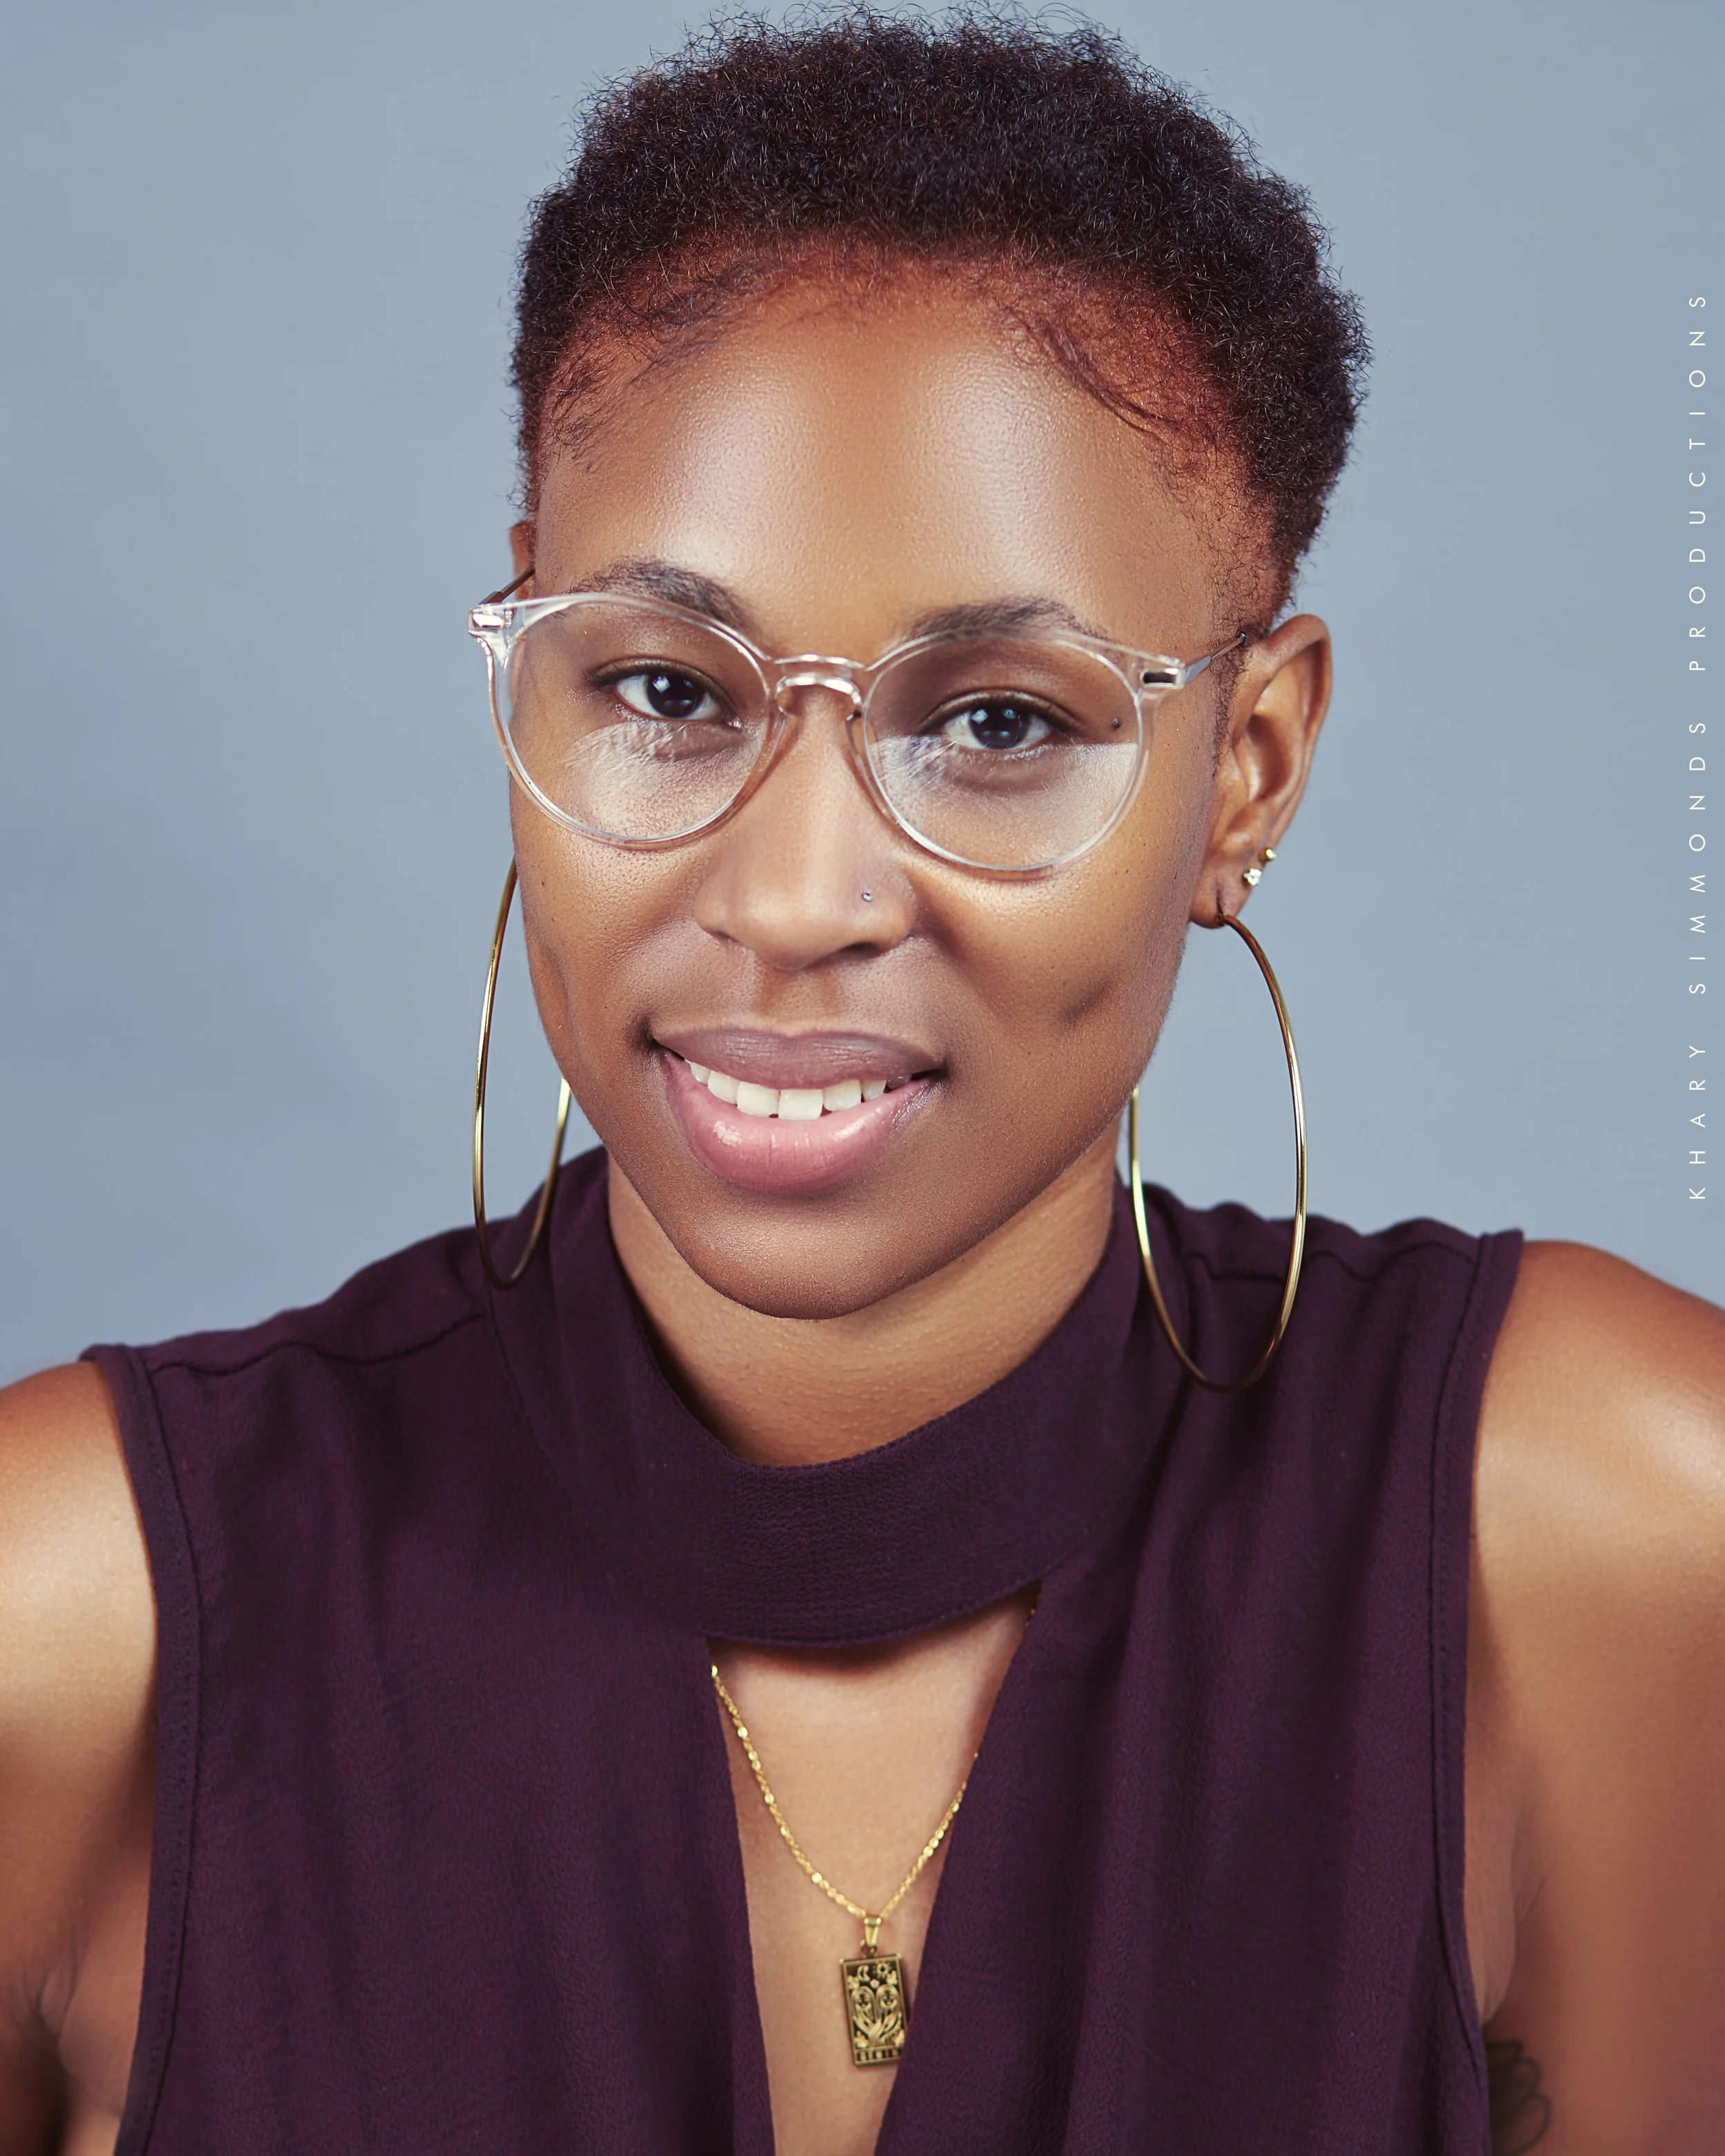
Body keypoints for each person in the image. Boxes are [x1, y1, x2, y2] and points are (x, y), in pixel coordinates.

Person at [2, 12, 1722, 2154]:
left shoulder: (1599, 1543)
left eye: (999, 722)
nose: (798, 892)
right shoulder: (71, 1621)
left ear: (1246, 765)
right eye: (661, 687)